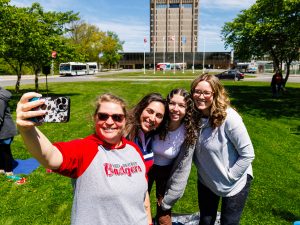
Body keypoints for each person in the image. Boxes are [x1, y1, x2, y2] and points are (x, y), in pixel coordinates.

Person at [16, 92, 151, 225]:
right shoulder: (85, 149)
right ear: (95, 118)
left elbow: (144, 195)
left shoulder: (134, 149)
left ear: (125, 120)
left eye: (117, 117)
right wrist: (27, 130)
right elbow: (51, 157)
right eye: (103, 116)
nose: (110, 122)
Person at [191, 74, 255, 225]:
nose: (201, 96)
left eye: (206, 93)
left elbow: (248, 154)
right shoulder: (193, 117)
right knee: (206, 221)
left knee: (229, 222)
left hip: (235, 183)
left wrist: (230, 177)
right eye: (197, 91)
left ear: (216, 94)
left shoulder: (229, 117)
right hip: (207, 181)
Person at [148, 88, 198, 225]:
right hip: (145, 169)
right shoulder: (157, 120)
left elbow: (184, 167)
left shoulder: (188, 131)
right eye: (172, 103)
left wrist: (170, 198)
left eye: (182, 105)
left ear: (188, 109)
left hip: (166, 172)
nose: (175, 109)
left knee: (164, 215)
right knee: (137, 206)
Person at [125, 93, 166, 174]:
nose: (152, 118)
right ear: (141, 109)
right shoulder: (124, 134)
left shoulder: (151, 135)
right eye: (150, 111)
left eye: (158, 115)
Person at [0, 86, 18, 176]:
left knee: (5, 150)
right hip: (2, 130)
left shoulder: (1, 99)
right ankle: (2, 168)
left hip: (5, 130)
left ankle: (8, 170)